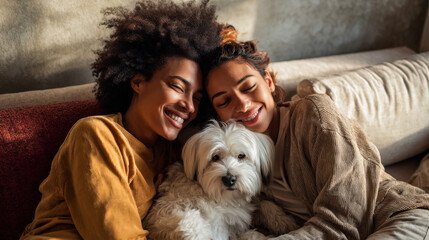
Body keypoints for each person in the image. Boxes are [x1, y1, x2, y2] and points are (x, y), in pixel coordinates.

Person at [203, 26, 429, 239]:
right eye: (224, 101)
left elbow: (345, 219)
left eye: (248, 87)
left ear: (268, 82)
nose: (242, 105)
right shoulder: (238, 158)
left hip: (397, 217)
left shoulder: (313, 114)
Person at [20, 1, 221, 239]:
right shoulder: (96, 135)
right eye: (177, 86)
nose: (188, 105)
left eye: (197, 98)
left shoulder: (171, 151)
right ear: (138, 82)